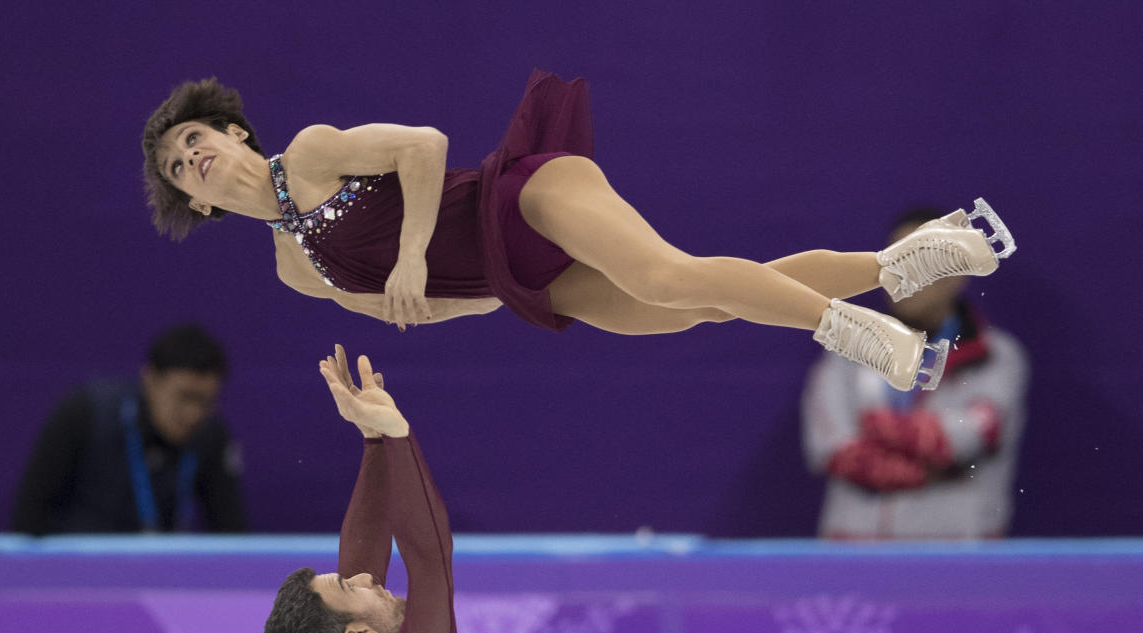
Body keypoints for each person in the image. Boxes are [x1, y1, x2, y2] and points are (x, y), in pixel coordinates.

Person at [141, 70, 1016, 393]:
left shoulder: (316, 152)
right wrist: (450, 300)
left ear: (234, 135)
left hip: (521, 198)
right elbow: (413, 312)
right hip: (520, 279)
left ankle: (872, 337)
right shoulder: (294, 267)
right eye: (180, 170)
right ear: (202, 207)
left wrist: (411, 252)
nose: (195, 161)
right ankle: (906, 260)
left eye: (196, 141)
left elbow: (425, 147)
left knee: (675, 276)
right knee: (709, 302)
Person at [262, 346, 556, 633]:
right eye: (348, 586)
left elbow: (361, 557)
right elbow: (429, 561)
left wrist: (372, 441)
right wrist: (398, 437)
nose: (365, 577)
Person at [801, 209, 1029, 539]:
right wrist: (932, 470)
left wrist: (878, 428)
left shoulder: (999, 355)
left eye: (922, 258)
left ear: (958, 271)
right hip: (853, 554)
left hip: (957, 557)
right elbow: (834, 451)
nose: (904, 274)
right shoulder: (843, 349)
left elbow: (968, 438)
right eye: (893, 259)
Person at [11, 324, 247, 535]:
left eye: (206, 401)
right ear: (150, 379)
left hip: (159, 576)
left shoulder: (212, 434)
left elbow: (231, 531)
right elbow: (30, 514)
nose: (194, 414)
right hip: (79, 572)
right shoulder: (85, 413)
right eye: (185, 397)